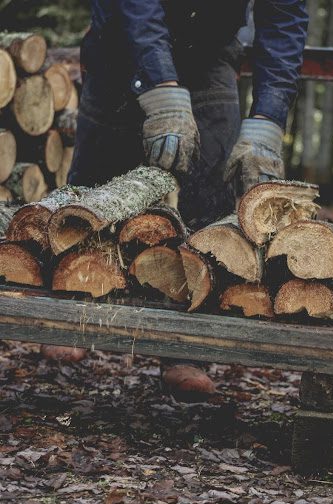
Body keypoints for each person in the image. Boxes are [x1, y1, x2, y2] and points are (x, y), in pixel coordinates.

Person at [64, 0, 308, 401]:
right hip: (121, 43)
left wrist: (268, 117)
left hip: (207, 55)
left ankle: (185, 350)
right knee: (92, 194)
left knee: (210, 211)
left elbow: (284, 18)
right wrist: (160, 86)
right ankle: (67, 316)